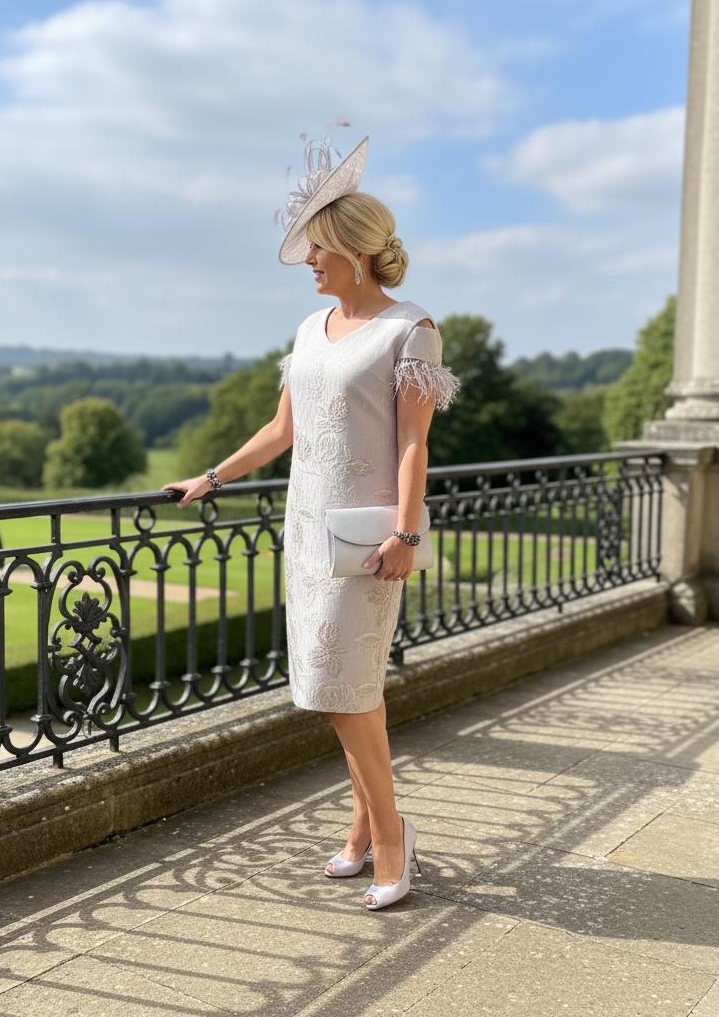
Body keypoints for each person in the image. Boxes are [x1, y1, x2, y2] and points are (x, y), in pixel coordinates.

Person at [161, 131, 461, 910]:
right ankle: (364, 833)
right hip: (305, 532)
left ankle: (393, 838)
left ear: (354, 254)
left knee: (341, 691)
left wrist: (408, 533)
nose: (307, 264)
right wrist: (213, 474)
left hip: (369, 541)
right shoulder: (306, 332)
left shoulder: (411, 329)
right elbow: (281, 429)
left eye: (317, 252)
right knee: (350, 687)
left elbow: (413, 445)